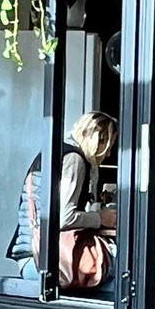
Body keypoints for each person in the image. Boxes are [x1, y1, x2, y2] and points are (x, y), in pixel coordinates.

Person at [7, 111, 119, 285]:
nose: (109, 154)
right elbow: (65, 217)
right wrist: (100, 218)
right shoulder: (74, 160)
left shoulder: (56, 152)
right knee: (124, 272)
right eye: (109, 147)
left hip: (31, 256)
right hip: (47, 260)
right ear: (98, 141)